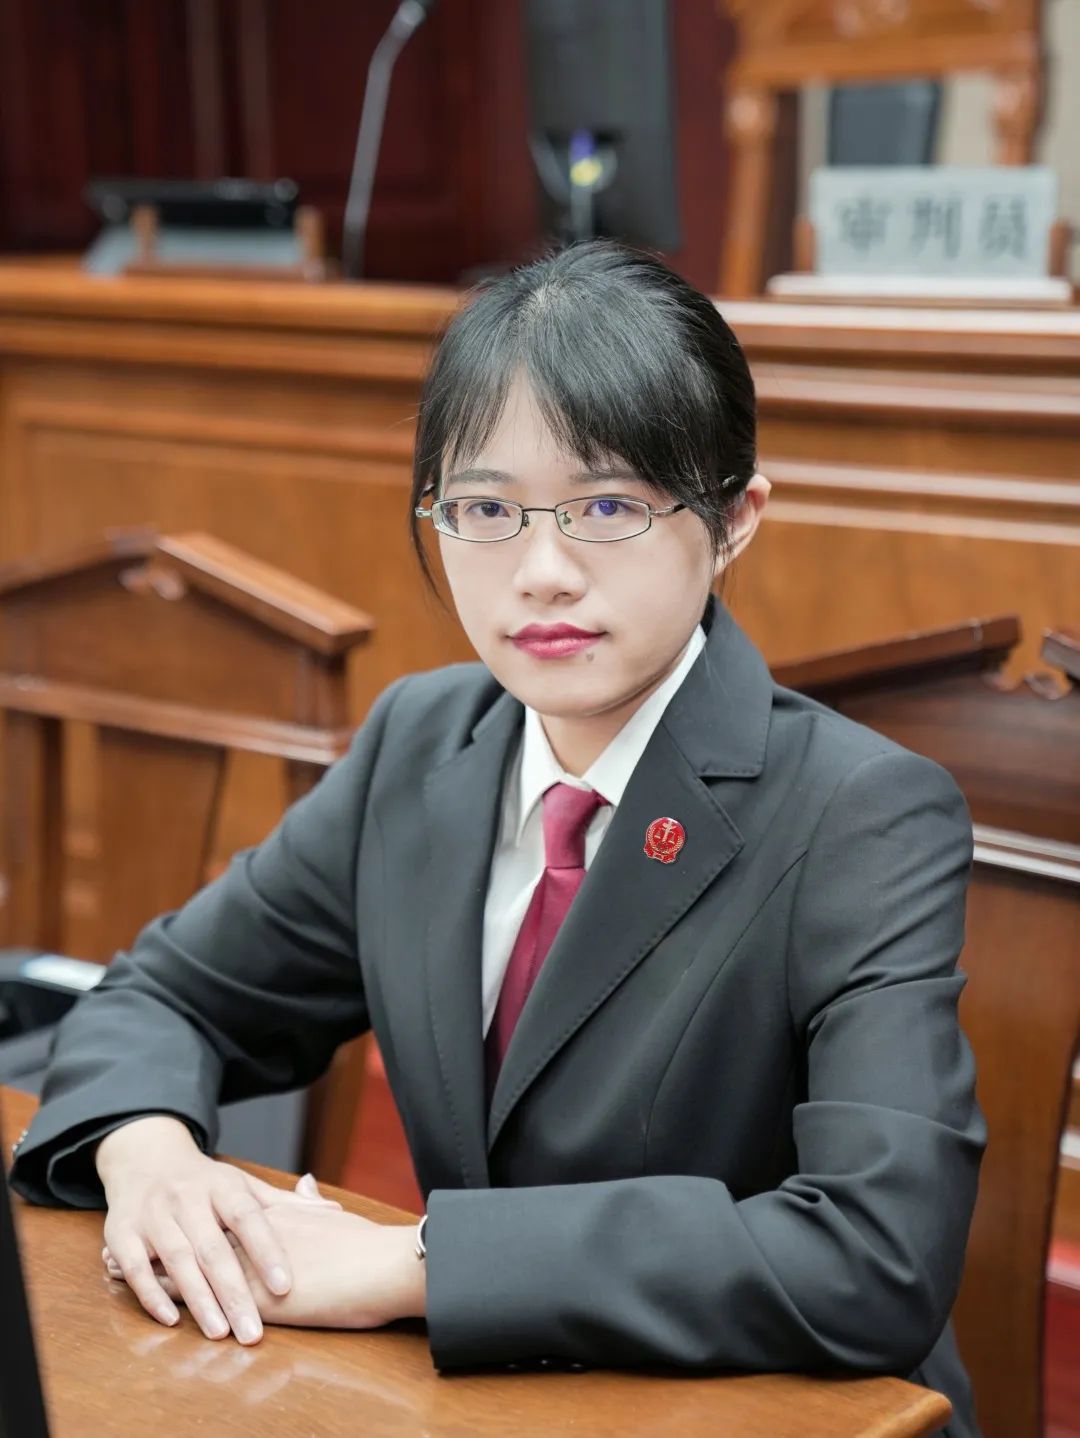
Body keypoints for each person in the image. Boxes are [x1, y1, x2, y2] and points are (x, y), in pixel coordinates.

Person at [8, 240, 985, 1436]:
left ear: (735, 520)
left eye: (609, 506)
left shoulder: (863, 812)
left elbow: (875, 1254)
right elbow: (165, 994)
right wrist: (146, 1151)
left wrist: (413, 1263)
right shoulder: (423, 743)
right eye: (485, 508)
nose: (541, 572)